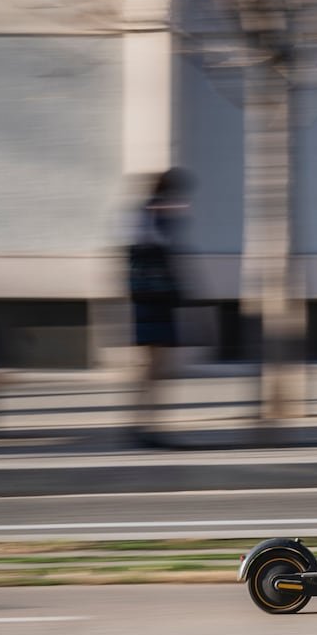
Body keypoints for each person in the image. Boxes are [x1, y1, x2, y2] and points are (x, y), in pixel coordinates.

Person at [127, 167, 193, 448]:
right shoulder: (156, 215)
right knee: (155, 367)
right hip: (155, 301)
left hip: (148, 301)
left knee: (151, 367)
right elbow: (163, 254)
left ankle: (143, 422)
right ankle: (146, 424)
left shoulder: (145, 214)